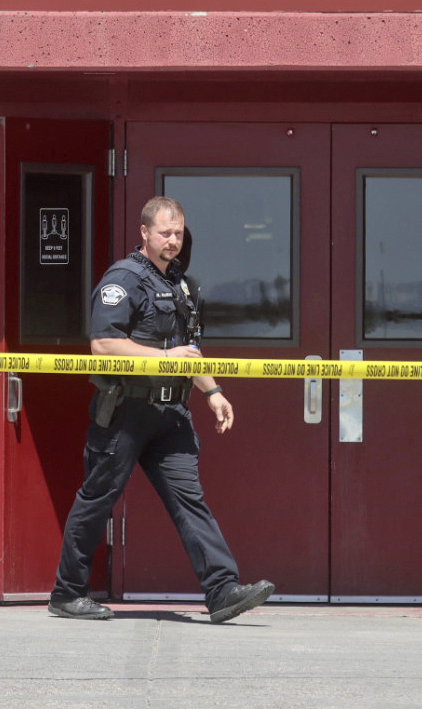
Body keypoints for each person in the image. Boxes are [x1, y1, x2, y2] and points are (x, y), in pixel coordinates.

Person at [48, 196, 274, 622]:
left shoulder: (181, 284)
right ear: (145, 233)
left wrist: (213, 392)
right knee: (97, 499)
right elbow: (103, 344)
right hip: (125, 413)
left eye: (178, 233)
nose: (173, 241)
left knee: (191, 501)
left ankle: (223, 590)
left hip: (170, 417)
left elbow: (187, 351)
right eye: (165, 233)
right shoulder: (125, 278)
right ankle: (67, 592)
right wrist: (163, 359)